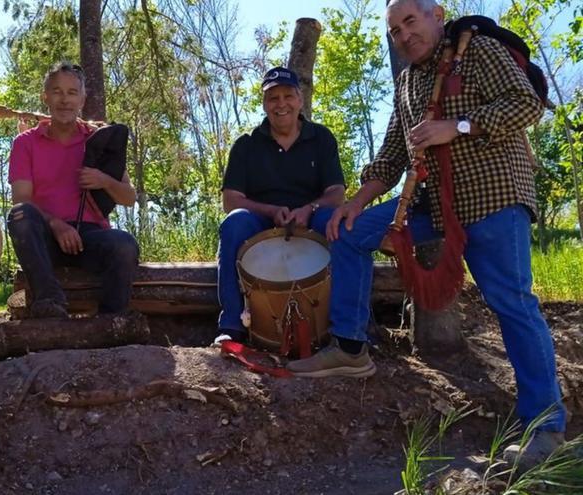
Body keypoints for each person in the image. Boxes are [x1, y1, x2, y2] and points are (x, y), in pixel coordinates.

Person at [285, 0, 566, 467]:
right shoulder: (408, 81)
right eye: (394, 30)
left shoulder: (479, 50)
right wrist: (354, 203)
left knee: (512, 302)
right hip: (430, 202)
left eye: (410, 21)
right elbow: (392, 155)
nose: (403, 34)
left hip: (492, 196)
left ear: (436, 15)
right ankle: (351, 349)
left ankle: (546, 428)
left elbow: (526, 105)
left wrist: (454, 127)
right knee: (349, 232)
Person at [215, 67, 345, 345]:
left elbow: (336, 193)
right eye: (273, 98)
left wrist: (309, 209)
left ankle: (347, 328)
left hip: (311, 217)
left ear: (300, 100)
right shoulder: (246, 145)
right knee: (234, 222)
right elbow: (231, 200)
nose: (281, 104)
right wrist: (271, 212)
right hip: (260, 220)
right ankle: (231, 326)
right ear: (264, 104)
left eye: (288, 95)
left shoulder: (321, 138)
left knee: (336, 221)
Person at [7, 62, 139, 318]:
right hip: (45, 236)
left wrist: (105, 181)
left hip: (90, 237)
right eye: (57, 91)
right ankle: (49, 303)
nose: (64, 100)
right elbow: (20, 199)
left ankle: (112, 322)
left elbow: (129, 197)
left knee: (124, 245)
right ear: (45, 97)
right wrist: (56, 225)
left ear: (82, 98)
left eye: (71, 92)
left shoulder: (100, 139)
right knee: (20, 215)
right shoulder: (25, 143)